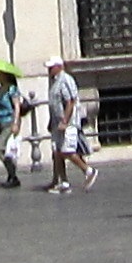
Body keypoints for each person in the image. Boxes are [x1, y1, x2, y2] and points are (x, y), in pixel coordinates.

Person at [45, 60, 93, 195]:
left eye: (51, 67)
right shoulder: (54, 81)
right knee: (57, 152)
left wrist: (65, 120)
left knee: (66, 151)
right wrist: (52, 122)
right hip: (57, 123)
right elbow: (55, 103)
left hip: (68, 123)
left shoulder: (65, 79)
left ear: (59, 67)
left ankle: (88, 170)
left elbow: (70, 101)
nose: (49, 70)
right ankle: (63, 182)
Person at [0, 69, 27, 187]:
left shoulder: (12, 89)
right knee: (7, 150)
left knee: (0, 148)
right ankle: (11, 174)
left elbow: (17, 106)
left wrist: (15, 123)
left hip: (9, 121)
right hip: (0, 121)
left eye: (0, 74)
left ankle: (13, 175)